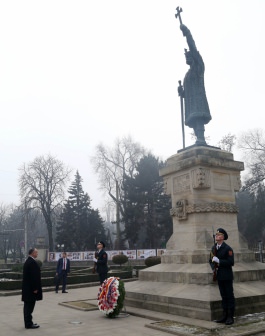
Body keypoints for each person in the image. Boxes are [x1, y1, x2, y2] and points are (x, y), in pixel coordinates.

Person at [178, 23, 212, 145]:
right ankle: (199, 138)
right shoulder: (187, 74)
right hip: (191, 104)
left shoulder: (199, 67)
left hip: (198, 101)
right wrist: (182, 93)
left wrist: (187, 32)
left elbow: (192, 46)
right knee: (194, 119)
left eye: (189, 57)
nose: (187, 59)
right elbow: (187, 92)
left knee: (198, 119)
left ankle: (201, 138)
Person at [209, 228, 235, 325]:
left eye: (219, 235)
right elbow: (210, 260)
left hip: (227, 275)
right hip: (219, 275)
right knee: (223, 296)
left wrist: (219, 261)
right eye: (216, 235)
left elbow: (231, 262)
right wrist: (213, 267)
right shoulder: (213, 248)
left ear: (223, 237)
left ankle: (230, 316)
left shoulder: (228, 249)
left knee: (229, 296)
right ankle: (224, 316)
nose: (217, 236)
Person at [21, 248, 43, 329]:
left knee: (28, 306)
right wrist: (35, 288)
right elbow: (33, 277)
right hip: (31, 290)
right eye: (36, 252)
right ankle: (29, 324)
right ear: (33, 253)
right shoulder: (31, 262)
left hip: (28, 289)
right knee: (29, 307)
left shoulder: (29, 261)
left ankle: (28, 322)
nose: (37, 254)